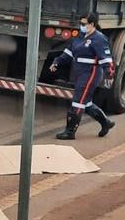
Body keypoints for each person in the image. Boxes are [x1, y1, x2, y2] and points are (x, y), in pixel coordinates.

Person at [49, 12, 116, 140]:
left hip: (91, 73)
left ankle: (70, 132)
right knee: (86, 103)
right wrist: (57, 62)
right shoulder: (80, 37)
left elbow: (106, 58)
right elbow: (68, 52)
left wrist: (109, 74)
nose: (81, 26)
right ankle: (106, 123)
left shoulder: (99, 39)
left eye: (84, 24)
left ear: (92, 24)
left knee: (78, 102)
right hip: (80, 72)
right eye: (80, 23)